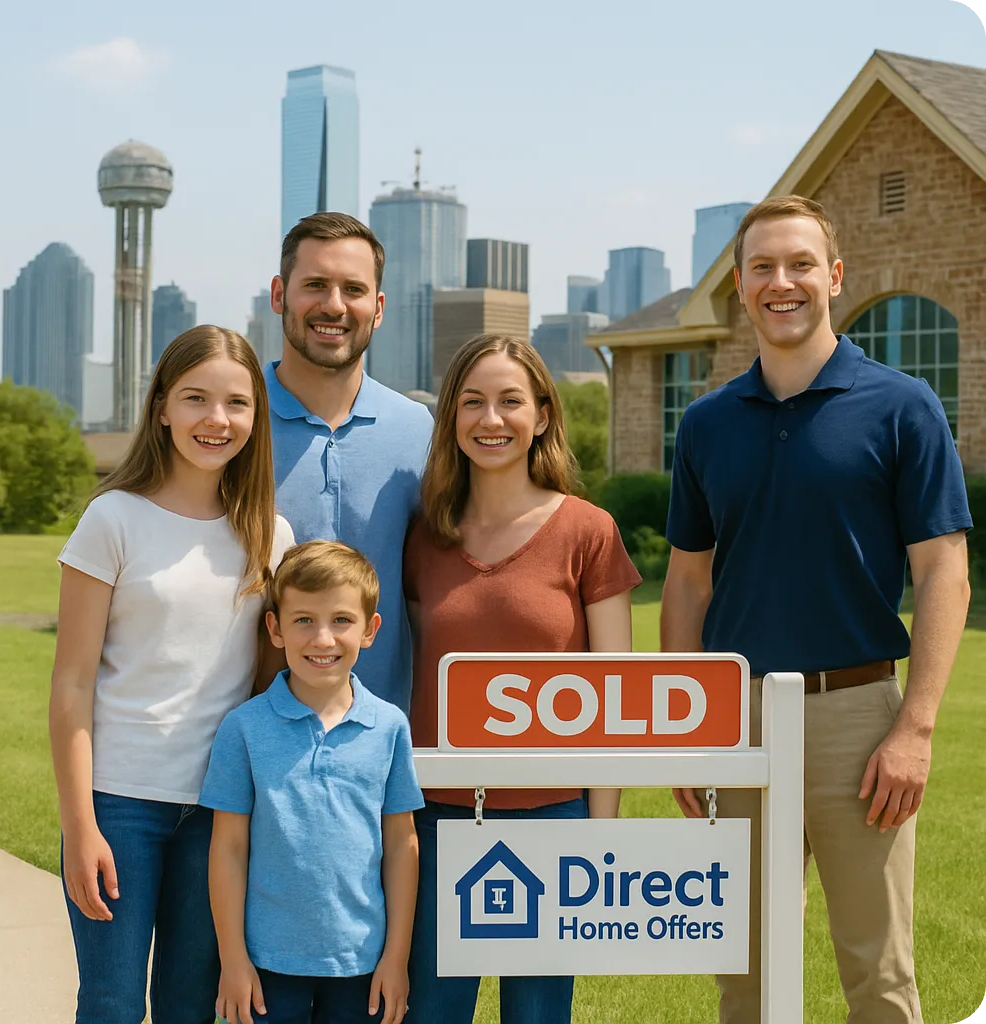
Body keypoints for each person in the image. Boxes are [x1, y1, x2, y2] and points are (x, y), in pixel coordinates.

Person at [661, 195, 971, 1024]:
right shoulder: (705, 424)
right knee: (747, 973)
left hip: (860, 721)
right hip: (737, 718)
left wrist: (914, 728)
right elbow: (688, 584)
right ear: (739, 284)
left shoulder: (903, 406)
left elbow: (944, 569)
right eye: (762, 267)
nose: (781, 282)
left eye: (800, 264)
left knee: (878, 976)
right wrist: (689, 728)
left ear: (833, 276)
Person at [49, 326, 295, 1024]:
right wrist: (80, 826)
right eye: (195, 398)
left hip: (217, 813)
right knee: (112, 1003)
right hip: (120, 806)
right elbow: (70, 687)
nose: (217, 420)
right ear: (161, 407)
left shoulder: (270, 535)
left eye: (237, 403)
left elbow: (266, 687)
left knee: (191, 1005)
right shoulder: (112, 520)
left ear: (255, 417)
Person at [402, 335, 641, 1024]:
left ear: (541, 414)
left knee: (537, 1017)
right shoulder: (424, 536)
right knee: (432, 1014)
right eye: (472, 402)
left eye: (511, 401)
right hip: (437, 814)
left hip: (554, 816)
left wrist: (598, 837)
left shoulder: (588, 532)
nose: (491, 419)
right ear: (451, 417)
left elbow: (615, 699)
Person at [199, 540, 423, 1024]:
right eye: (304, 620)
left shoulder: (388, 728)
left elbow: (402, 845)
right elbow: (228, 850)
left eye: (341, 620)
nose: (323, 639)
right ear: (275, 629)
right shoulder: (244, 728)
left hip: (362, 962)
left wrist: (396, 957)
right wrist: (233, 960)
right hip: (266, 965)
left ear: (370, 630)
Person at [265, 211, 433, 711]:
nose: (334, 305)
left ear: (378, 308)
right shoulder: (231, 422)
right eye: (315, 284)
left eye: (353, 290)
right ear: (279, 295)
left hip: (385, 739)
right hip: (245, 736)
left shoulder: (418, 429)